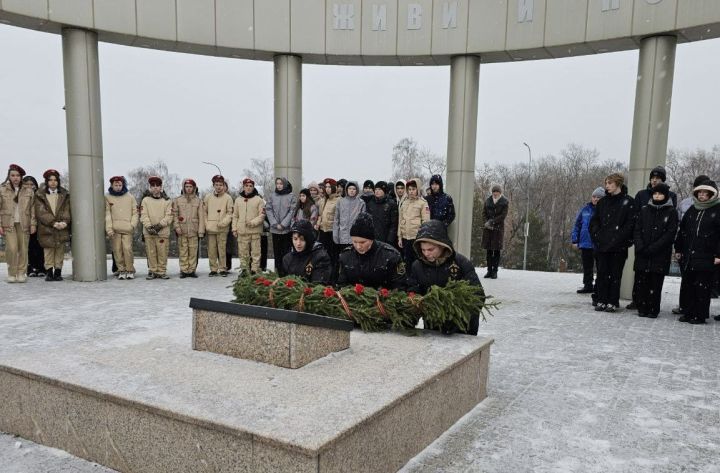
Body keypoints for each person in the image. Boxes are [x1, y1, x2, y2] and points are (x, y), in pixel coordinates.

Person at [408, 220, 483, 335]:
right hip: (433, 328)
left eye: (430, 249)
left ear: (442, 246)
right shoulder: (417, 266)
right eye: (423, 250)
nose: (426, 254)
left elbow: (477, 295)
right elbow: (413, 291)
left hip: (463, 329)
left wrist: (456, 317)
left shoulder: (461, 263)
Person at [627, 166, 678, 310]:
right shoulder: (642, 194)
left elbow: (670, 226)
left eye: (658, 178)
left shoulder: (671, 196)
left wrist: (656, 245)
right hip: (643, 241)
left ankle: (651, 305)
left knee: (655, 279)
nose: (655, 180)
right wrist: (639, 242)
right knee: (640, 276)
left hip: (659, 246)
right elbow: (635, 218)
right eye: (653, 178)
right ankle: (637, 301)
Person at [674, 180, 720, 324]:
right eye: (700, 192)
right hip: (689, 254)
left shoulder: (717, 210)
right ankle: (688, 312)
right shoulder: (692, 209)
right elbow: (683, 231)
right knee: (688, 285)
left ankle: (699, 315)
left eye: (705, 193)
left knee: (702, 287)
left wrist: (719, 254)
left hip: (707, 255)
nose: (702, 195)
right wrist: (678, 248)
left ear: (712, 194)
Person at [589, 173, 635, 312]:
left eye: (610, 183)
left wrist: (618, 239)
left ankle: (612, 301)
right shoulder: (602, 202)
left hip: (618, 247)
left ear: (618, 184)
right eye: (606, 183)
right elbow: (594, 222)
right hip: (602, 246)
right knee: (602, 274)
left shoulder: (628, 202)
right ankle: (601, 300)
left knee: (615, 274)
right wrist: (598, 236)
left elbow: (630, 225)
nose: (607, 186)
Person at [336, 212, 406, 290]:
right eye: (354, 242)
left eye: (362, 242)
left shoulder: (391, 256)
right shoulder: (346, 255)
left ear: (371, 239)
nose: (358, 246)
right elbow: (342, 284)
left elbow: (399, 287)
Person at [0, 164, 36, 283]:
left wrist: (33, 224)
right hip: (8, 223)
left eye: (18, 175)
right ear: (9, 176)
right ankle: (12, 273)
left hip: (24, 223)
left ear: (21, 177)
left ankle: (21, 272)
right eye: (13, 175)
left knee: (23, 249)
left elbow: (32, 209)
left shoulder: (28, 190)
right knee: (12, 248)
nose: (15, 178)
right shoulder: (2, 189)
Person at [34, 169, 71, 281]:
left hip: (62, 226)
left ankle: (58, 272)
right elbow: (41, 212)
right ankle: (49, 272)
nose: (53, 182)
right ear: (47, 182)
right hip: (47, 227)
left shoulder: (64, 194)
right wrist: (53, 222)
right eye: (50, 180)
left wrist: (64, 221)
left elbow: (67, 209)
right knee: (48, 250)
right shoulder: (40, 195)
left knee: (59, 250)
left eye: (55, 180)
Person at [571, 187, 604, 293]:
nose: (595, 199)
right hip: (585, 243)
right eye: (594, 197)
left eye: (598, 197)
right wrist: (575, 240)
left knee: (600, 267)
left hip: (598, 244)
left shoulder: (604, 210)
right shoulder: (585, 209)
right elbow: (577, 225)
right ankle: (588, 285)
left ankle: (599, 286)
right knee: (587, 267)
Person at [105, 176, 138, 280]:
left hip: (127, 228)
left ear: (123, 185)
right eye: (116, 185)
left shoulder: (130, 197)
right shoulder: (107, 197)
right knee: (117, 250)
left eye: (120, 185)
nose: (118, 187)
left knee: (127, 249)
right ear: (112, 185)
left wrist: (132, 225)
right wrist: (109, 228)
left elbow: (135, 212)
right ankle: (121, 270)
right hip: (115, 229)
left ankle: (130, 269)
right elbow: (107, 214)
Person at [140, 176, 173, 280]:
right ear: (150, 188)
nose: (155, 188)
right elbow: (143, 214)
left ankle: (162, 271)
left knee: (162, 252)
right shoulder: (145, 200)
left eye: (157, 186)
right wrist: (149, 226)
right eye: (152, 186)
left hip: (162, 232)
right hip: (149, 232)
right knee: (151, 252)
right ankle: (153, 271)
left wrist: (159, 226)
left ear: (161, 187)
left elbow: (169, 216)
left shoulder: (167, 201)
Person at [232, 178, 266, 275]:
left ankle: (254, 269)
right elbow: (235, 216)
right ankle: (244, 269)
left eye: (250, 186)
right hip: (242, 231)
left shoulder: (259, 200)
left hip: (254, 231)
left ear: (253, 187)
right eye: (246, 186)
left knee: (255, 252)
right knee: (243, 252)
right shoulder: (238, 200)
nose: (248, 188)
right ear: (243, 187)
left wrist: (252, 222)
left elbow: (262, 215)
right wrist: (234, 228)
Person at [173, 178, 205, 278]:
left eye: (190, 187)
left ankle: (191, 270)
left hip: (193, 230)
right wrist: (176, 227)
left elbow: (201, 217)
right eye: (186, 187)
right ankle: (184, 270)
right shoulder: (178, 200)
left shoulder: (198, 201)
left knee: (193, 251)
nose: (188, 189)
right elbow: (174, 215)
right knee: (183, 250)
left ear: (194, 188)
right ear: (183, 188)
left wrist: (201, 231)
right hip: (182, 230)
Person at [203, 175, 234, 276]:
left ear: (224, 185)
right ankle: (213, 269)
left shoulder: (228, 198)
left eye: (221, 185)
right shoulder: (208, 197)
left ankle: (223, 268)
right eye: (216, 185)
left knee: (222, 249)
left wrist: (223, 223)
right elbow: (204, 212)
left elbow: (230, 213)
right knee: (211, 250)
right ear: (213, 185)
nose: (218, 187)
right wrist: (207, 224)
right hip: (211, 228)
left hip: (222, 228)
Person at [266, 177, 296, 276]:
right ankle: (278, 272)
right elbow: (269, 210)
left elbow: (292, 211)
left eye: (281, 183)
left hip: (286, 230)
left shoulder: (291, 196)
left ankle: (286, 272)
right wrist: (274, 223)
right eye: (277, 183)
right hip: (275, 230)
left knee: (286, 253)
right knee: (277, 253)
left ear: (285, 184)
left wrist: (283, 224)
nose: (279, 185)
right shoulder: (272, 196)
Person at [398, 179, 430, 268]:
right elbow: (400, 221)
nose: (411, 191)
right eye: (409, 189)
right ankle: (408, 280)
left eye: (413, 189)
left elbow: (426, 221)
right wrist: (399, 237)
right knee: (407, 261)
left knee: (417, 261)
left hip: (416, 238)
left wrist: (423, 237)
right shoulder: (404, 202)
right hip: (405, 237)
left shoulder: (423, 203)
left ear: (418, 189)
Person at [481, 185, 508, 279]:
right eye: (494, 192)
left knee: (496, 251)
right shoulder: (488, 200)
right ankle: (489, 270)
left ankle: (495, 271)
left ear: (500, 193)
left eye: (497, 192)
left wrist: (492, 221)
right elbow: (484, 213)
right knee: (488, 251)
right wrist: (486, 222)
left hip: (498, 229)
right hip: (488, 229)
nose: (495, 193)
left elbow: (503, 216)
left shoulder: (504, 202)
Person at [333, 181, 366, 253]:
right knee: (343, 257)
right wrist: (335, 234)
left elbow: (363, 221)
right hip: (342, 236)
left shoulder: (361, 203)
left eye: (354, 189)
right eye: (350, 188)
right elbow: (336, 219)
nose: (352, 190)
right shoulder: (341, 202)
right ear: (346, 190)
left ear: (357, 190)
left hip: (355, 237)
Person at [22, 176, 45, 277]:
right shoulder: (20, 195)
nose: (29, 186)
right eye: (26, 184)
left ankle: (41, 267)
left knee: (39, 247)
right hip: (25, 223)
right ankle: (30, 268)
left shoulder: (39, 195)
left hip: (39, 224)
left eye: (32, 184)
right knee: (28, 247)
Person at [365, 181, 398, 245]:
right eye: (376, 189)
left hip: (386, 238)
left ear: (384, 190)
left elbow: (394, 224)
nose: (377, 191)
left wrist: (390, 239)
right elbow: (367, 221)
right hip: (373, 238)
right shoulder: (370, 203)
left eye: (379, 189)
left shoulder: (391, 204)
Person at [318, 178, 340, 271]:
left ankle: (333, 278)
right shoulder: (323, 200)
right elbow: (320, 214)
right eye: (326, 187)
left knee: (333, 256)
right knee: (323, 255)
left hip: (332, 231)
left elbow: (339, 218)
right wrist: (318, 223)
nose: (327, 189)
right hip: (323, 231)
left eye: (329, 187)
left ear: (334, 188)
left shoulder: (339, 200)